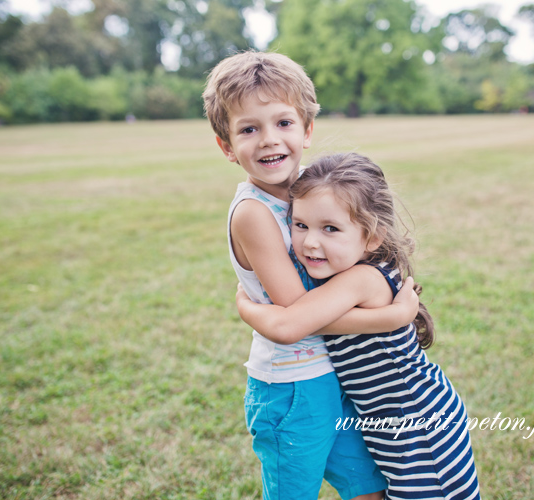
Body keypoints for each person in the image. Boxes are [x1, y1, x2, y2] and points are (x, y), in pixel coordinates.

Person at [202, 52, 419, 500]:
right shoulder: (253, 214)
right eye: (248, 129)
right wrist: (389, 318)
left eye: (283, 123)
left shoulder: (314, 188)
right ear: (226, 146)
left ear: (306, 130)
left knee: (369, 488)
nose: (268, 140)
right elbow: (299, 313)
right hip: (292, 386)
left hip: (337, 373)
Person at [236, 152, 481, 500]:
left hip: (417, 426)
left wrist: (246, 305)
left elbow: (290, 325)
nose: (310, 242)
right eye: (300, 224)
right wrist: (392, 318)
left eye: (330, 229)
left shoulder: (361, 279)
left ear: (372, 237)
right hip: (398, 420)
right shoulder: (353, 269)